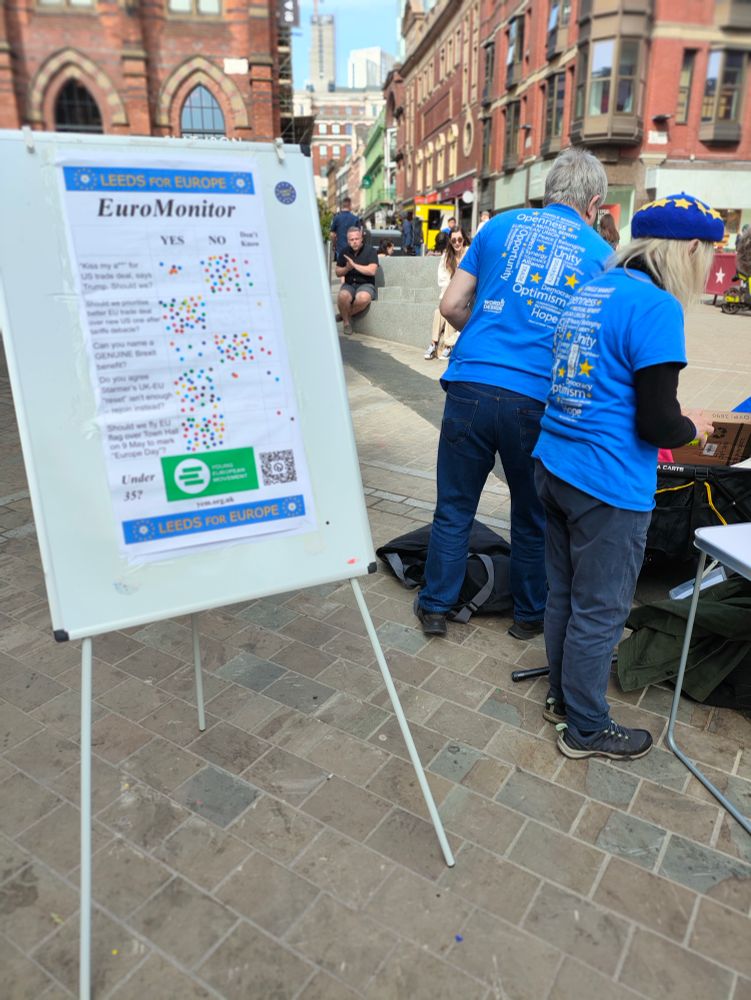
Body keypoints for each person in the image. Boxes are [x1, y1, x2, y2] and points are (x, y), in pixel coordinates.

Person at [533, 194, 720, 760]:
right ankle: (586, 727)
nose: (710, 265)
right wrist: (698, 426)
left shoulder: (593, 289)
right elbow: (659, 422)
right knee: (602, 608)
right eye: (708, 253)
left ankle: (563, 699)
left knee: (564, 594)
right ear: (690, 247)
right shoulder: (657, 307)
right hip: (607, 481)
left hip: (555, 463)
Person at [414, 147, 613, 640]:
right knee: (531, 513)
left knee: (455, 505)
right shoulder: (600, 255)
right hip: (535, 400)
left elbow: (452, 303)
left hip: (470, 384)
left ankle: (436, 606)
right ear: (593, 204)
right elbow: (592, 345)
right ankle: (528, 617)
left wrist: (481, 331)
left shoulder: (497, 227)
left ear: (548, 191)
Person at [424, 229, 471, 361]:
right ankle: (436, 343)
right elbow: (442, 279)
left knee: (452, 306)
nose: (457, 243)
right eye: (454, 240)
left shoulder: (469, 253)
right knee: (439, 311)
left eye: (460, 240)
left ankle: (446, 345)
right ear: (450, 241)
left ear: (464, 240)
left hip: (468, 294)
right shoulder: (446, 256)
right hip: (451, 292)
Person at [335, 226, 378, 335]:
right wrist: (347, 268)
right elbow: (338, 272)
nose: (354, 242)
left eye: (356, 239)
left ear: (361, 238)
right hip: (349, 284)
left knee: (363, 298)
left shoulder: (371, 251)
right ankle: (346, 323)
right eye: (351, 240)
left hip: (366, 284)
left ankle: (344, 315)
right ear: (348, 241)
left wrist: (354, 265)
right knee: (342, 296)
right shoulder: (344, 252)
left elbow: (372, 271)